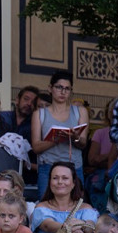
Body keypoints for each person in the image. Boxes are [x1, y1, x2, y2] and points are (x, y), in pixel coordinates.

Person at [32, 71, 89, 199]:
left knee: (76, 207)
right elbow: (36, 147)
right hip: (48, 167)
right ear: (50, 88)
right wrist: (56, 139)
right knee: (46, 208)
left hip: (74, 167)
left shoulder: (80, 111)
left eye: (67, 89)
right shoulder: (40, 114)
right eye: (59, 87)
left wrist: (75, 137)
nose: (63, 92)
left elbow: (83, 143)